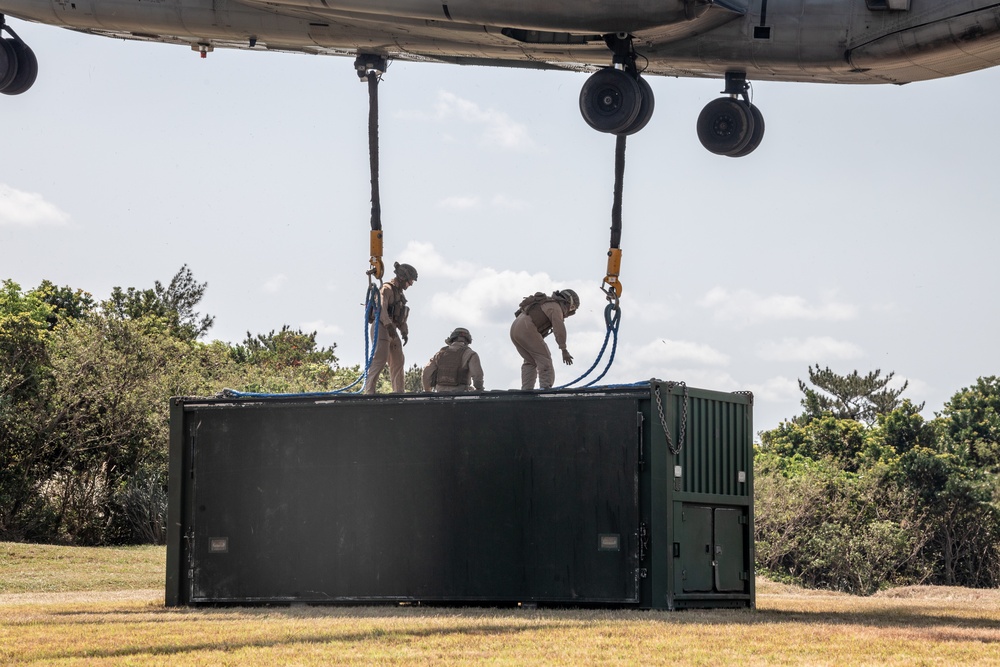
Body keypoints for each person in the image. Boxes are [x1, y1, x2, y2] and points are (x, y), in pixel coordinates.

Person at [364, 261, 417, 394]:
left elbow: (400, 316)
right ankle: (369, 391)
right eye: (410, 281)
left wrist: (404, 332)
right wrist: (388, 325)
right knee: (380, 359)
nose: (410, 285)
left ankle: (398, 392)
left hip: (392, 329)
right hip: (381, 327)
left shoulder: (400, 295)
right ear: (402, 277)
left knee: (398, 361)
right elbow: (381, 308)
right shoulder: (386, 289)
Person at [509, 289, 579, 390]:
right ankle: (545, 389)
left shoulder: (547, 303)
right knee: (545, 359)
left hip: (515, 329)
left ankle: (526, 390)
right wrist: (564, 349)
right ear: (568, 303)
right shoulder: (556, 308)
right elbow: (559, 329)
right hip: (526, 328)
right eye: (572, 308)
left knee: (530, 361)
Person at [422, 327, 485, 393]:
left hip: (440, 394)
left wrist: (428, 391)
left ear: (452, 340)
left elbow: (426, 372)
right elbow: (477, 375)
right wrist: (479, 389)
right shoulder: (470, 354)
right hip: (461, 394)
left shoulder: (440, 354)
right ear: (467, 341)